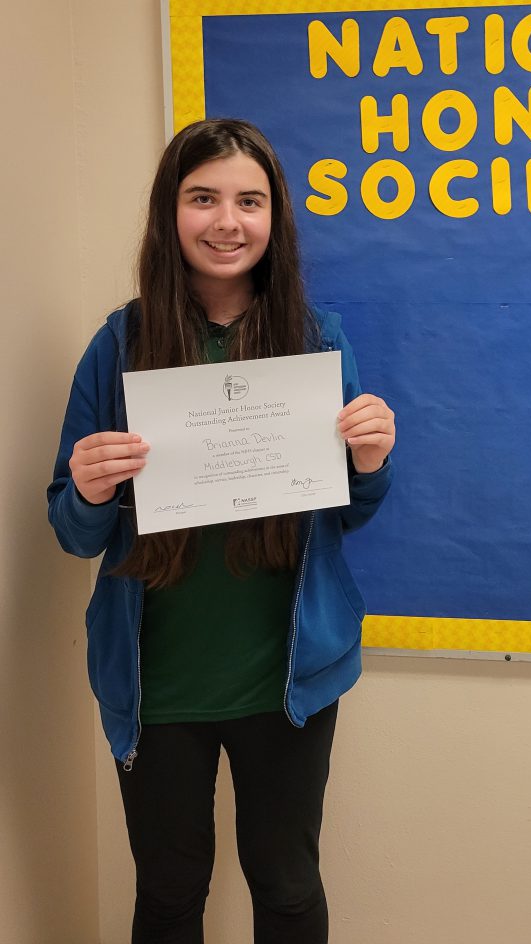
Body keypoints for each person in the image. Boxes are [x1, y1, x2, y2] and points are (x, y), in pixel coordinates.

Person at [47, 118, 395, 944]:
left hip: (286, 674)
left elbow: (350, 510)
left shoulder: (317, 338)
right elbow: (72, 529)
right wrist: (92, 489)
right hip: (157, 681)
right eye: (203, 198)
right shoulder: (119, 343)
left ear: (276, 219)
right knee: (169, 892)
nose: (226, 221)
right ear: (171, 213)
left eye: (249, 200)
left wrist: (371, 461)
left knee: (285, 883)